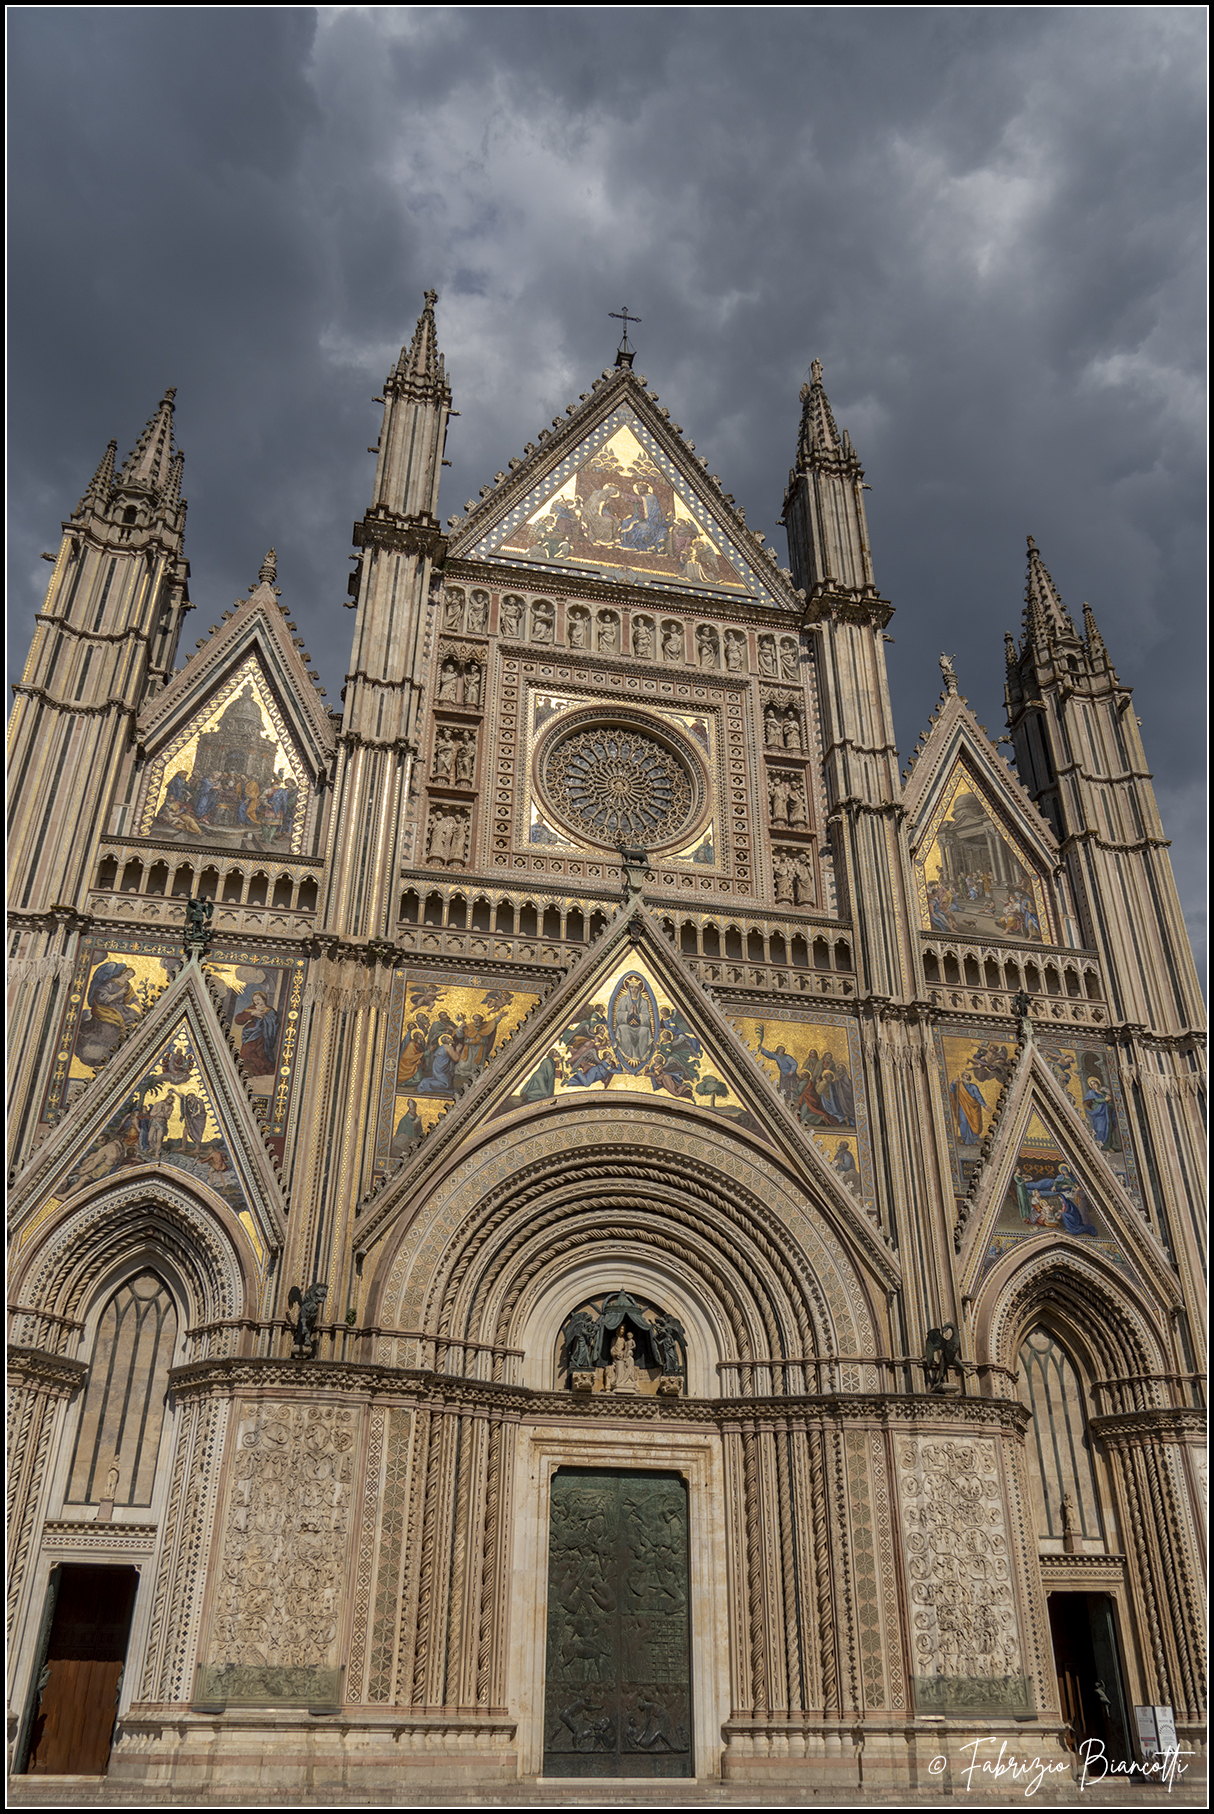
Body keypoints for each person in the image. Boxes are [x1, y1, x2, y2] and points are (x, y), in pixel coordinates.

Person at [235, 990, 279, 1075]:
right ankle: (253, 1070)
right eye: (255, 1000)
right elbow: (238, 1020)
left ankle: (259, 1070)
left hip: (263, 1033)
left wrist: (264, 1018)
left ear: (264, 999)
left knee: (258, 1052)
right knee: (247, 1050)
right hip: (250, 1033)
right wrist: (252, 1014)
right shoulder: (252, 1009)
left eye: (258, 999)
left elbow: (273, 1022)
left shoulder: (270, 1010)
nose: (257, 1002)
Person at [951, 1069, 986, 1145]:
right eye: (966, 1075)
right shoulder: (959, 1085)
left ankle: (975, 1139)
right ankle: (964, 1138)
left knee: (975, 1122)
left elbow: (978, 1096)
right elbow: (952, 1090)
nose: (967, 1077)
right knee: (963, 1122)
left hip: (974, 1108)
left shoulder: (973, 1087)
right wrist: (954, 1082)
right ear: (962, 1077)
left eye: (968, 1076)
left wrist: (984, 1105)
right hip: (963, 1107)